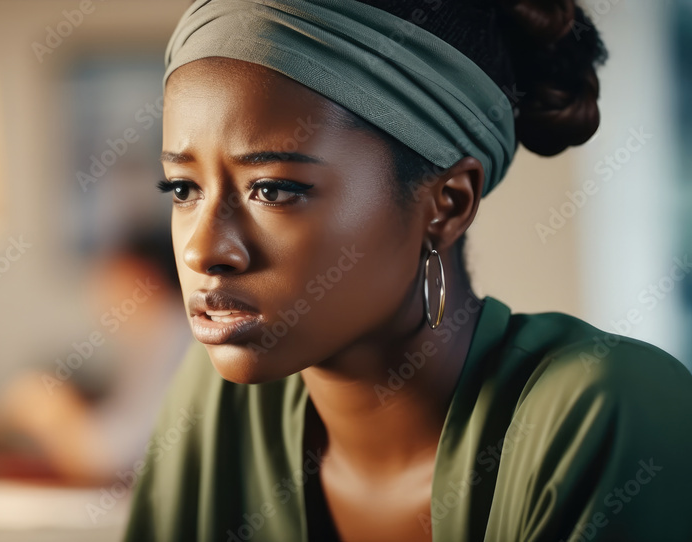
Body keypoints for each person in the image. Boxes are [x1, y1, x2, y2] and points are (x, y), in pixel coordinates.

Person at [124, 1, 692, 541]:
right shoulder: (220, 403)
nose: (204, 251)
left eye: (272, 189)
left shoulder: (605, 410)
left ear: (446, 202)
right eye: (183, 188)